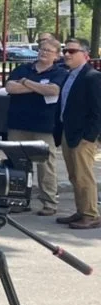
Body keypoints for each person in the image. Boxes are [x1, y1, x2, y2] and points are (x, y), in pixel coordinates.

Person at [4, 37, 68, 216]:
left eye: (49, 50)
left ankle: (49, 203)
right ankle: (20, 200)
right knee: (18, 164)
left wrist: (25, 83)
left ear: (56, 55)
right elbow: (10, 87)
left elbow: (54, 90)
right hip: (18, 124)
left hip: (44, 126)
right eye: (42, 49)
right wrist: (39, 87)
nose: (44, 52)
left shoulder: (59, 72)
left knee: (46, 166)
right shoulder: (23, 69)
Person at [53, 37, 101, 229]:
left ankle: (91, 214)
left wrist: (89, 136)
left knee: (83, 176)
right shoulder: (69, 75)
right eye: (65, 51)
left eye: (72, 51)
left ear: (85, 55)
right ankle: (81, 211)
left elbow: (98, 111)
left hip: (83, 136)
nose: (66, 54)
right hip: (68, 131)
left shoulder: (92, 76)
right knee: (74, 175)